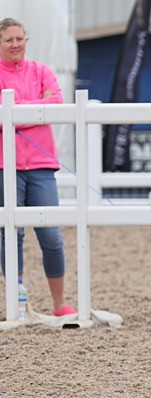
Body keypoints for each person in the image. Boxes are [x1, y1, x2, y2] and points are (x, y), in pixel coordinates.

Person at [0, 17, 78, 318]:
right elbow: (41, 108)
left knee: (51, 236)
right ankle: (17, 301)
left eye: (20, 38)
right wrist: (36, 107)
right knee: (11, 234)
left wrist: (15, 113)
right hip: (5, 165)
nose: (16, 44)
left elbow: (56, 104)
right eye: (9, 40)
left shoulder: (41, 70)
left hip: (42, 165)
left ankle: (59, 303)